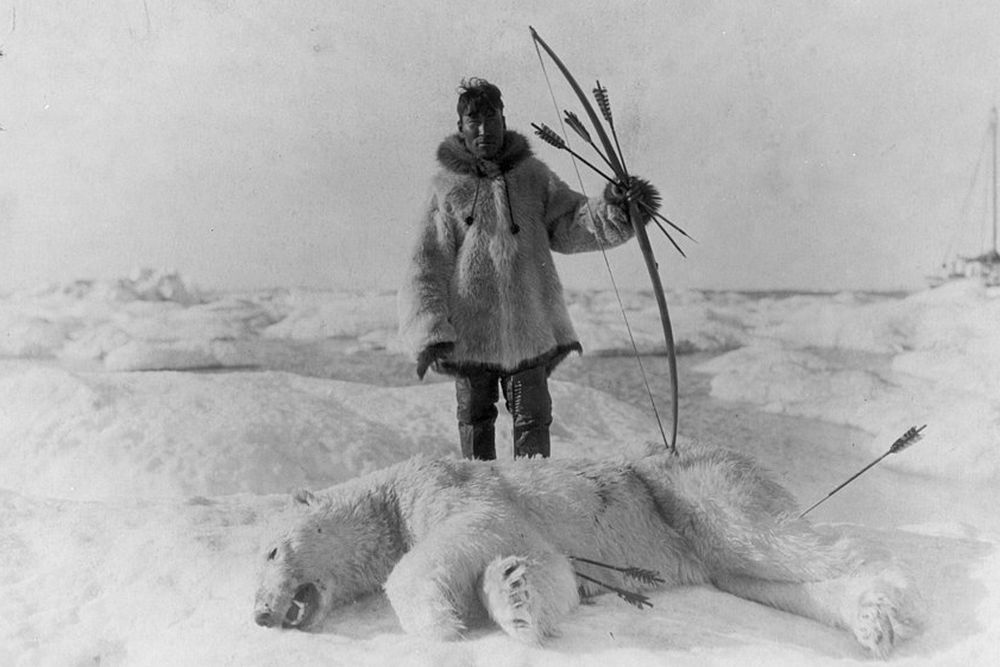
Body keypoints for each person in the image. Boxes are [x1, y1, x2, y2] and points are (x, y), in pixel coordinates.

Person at [398, 77, 660, 460]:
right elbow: (426, 264)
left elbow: (572, 222)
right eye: (474, 121)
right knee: (474, 421)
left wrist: (618, 205)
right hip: (471, 334)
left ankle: (535, 492)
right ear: (461, 127)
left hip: (530, 330)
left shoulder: (533, 176)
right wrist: (431, 332)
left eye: (492, 118)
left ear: (504, 120)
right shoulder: (445, 188)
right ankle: (481, 492)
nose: (484, 129)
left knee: (534, 420)